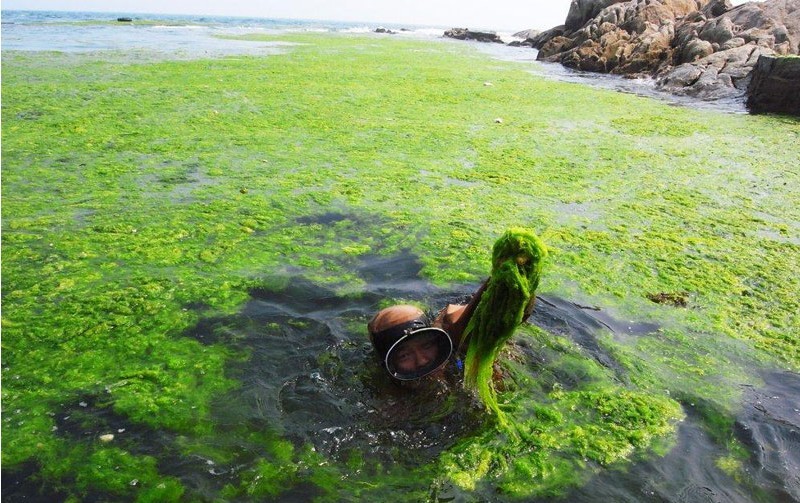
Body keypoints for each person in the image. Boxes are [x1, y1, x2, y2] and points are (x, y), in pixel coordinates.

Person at [367, 281, 488, 382]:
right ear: (389, 363)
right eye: (404, 356)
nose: (422, 361)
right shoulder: (387, 397)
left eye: (426, 345)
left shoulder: (458, 350)